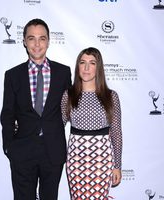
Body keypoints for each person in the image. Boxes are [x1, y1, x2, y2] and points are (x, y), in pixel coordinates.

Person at [0, 18, 71, 200]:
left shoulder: (63, 72)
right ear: (24, 41)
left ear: (48, 41)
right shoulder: (12, 75)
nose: (37, 44)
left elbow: (69, 109)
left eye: (42, 38)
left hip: (53, 151)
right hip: (22, 151)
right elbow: (7, 114)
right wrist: (9, 146)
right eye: (31, 38)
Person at [61, 47, 122, 200]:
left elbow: (116, 132)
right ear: (78, 67)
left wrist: (118, 166)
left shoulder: (111, 96)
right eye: (83, 63)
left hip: (102, 158)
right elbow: (57, 126)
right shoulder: (68, 95)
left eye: (92, 63)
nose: (87, 68)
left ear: (98, 67)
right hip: (76, 158)